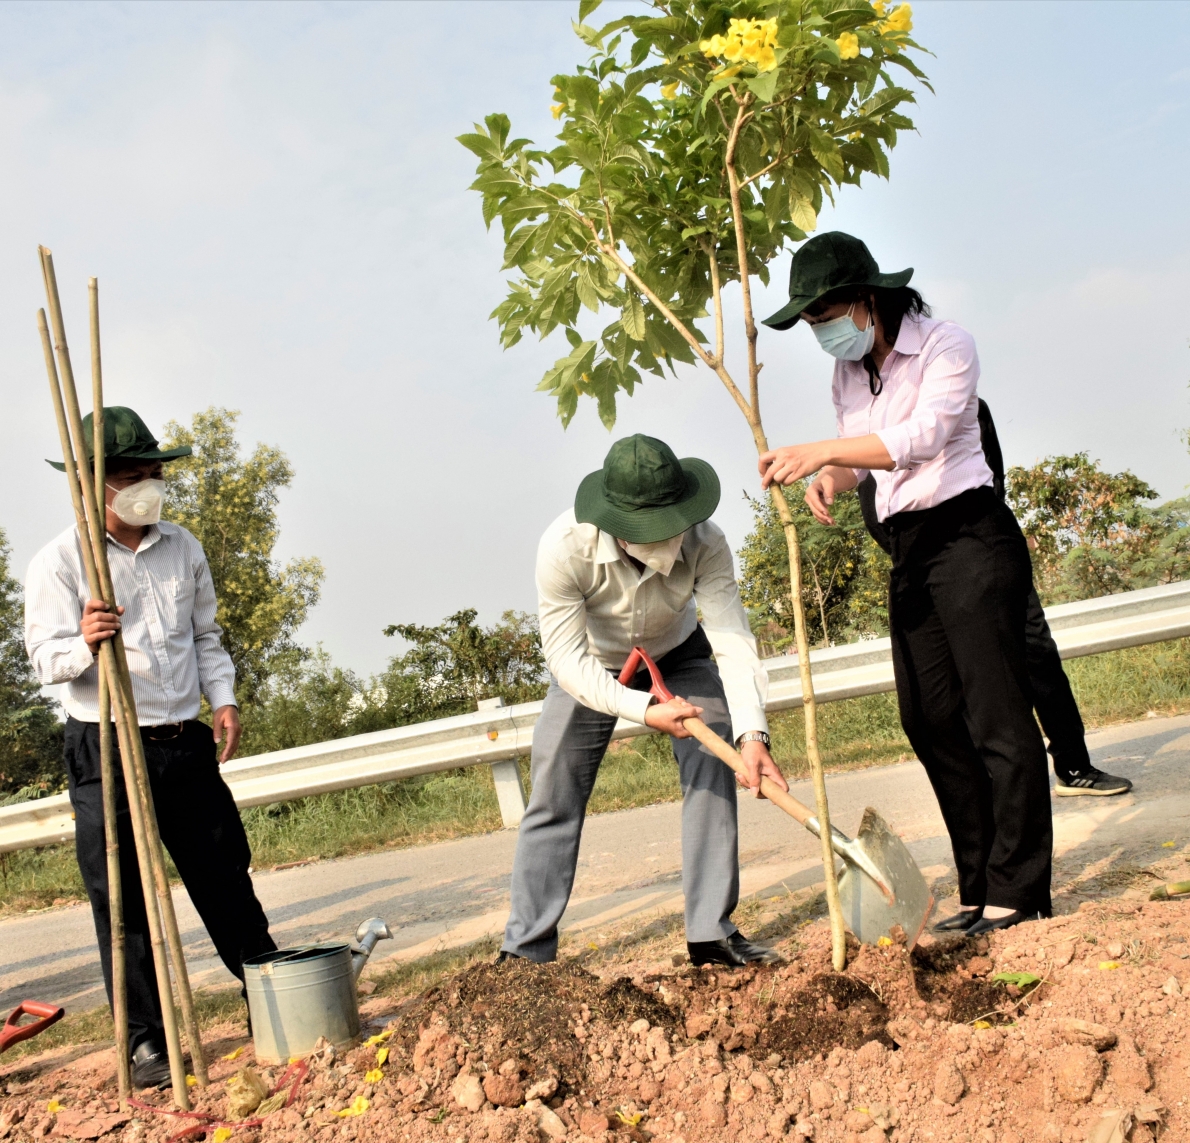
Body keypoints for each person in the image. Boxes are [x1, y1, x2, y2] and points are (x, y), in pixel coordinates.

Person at [758, 231, 1052, 936]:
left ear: (865, 301)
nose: (820, 332)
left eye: (824, 315)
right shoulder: (850, 376)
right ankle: (978, 884)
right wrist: (832, 475)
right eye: (809, 323)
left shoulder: (947, 345)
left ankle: (1021, 890)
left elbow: (923, 436)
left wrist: (822, 449)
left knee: (997, 717)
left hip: (970, 536)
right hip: (911, 551)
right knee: (928, 716)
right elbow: (865, 458)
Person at [25, 407, 276, 1089]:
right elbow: (43, 657)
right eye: (131, 476)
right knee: (125, 901)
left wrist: (221, 698)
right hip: (105, 742)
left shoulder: (182, 547)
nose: (147, 486)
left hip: (181, 738)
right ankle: (145, 1043)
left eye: (153, 473)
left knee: (225, 875)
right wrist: (85, 640)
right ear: (92, 485)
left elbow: (204, 637)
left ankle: (272, 999)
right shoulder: (61, 562)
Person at [501, 434, 787, 967]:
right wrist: (642, 711)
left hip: (679, 651)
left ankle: (710, 933)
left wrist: (753, 734)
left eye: (673, 524)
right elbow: (566, 661)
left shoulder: (708, 541)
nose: (668, 538)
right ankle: (525, 952)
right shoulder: (563, 548)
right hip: (593, 665)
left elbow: (730, 637)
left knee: (713, 756)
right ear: (614, 524)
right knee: (553, 786)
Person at [856, 400, 1132, 797]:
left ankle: (1074, 765)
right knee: (968, 689)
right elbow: (875, 514)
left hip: (987, 557)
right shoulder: (878, 428)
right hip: (932, 573)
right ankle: (994, 788)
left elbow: (992, 478)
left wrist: (985, 556)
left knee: (1039, 655)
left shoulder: (968, 404)